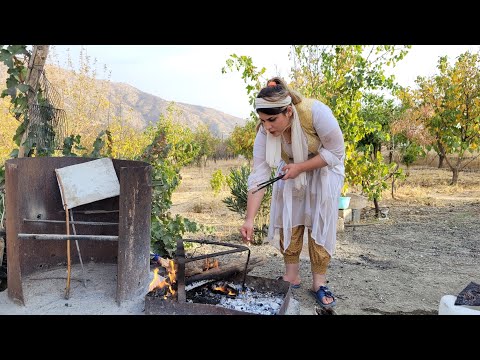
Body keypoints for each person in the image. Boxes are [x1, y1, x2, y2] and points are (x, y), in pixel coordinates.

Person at [240, 77, 345, 309]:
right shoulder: (264, 132)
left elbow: (336, 152)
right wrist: (249, 219)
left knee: (318, 221)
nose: (267, 126)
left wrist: (300, 168)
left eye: (272, 119)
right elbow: (259, 176)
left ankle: (319, 283)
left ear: (288, 111)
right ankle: (291, 277)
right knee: (290, 220)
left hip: (323, 170)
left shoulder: (315, 112)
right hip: (291, 171)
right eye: (262, 120)